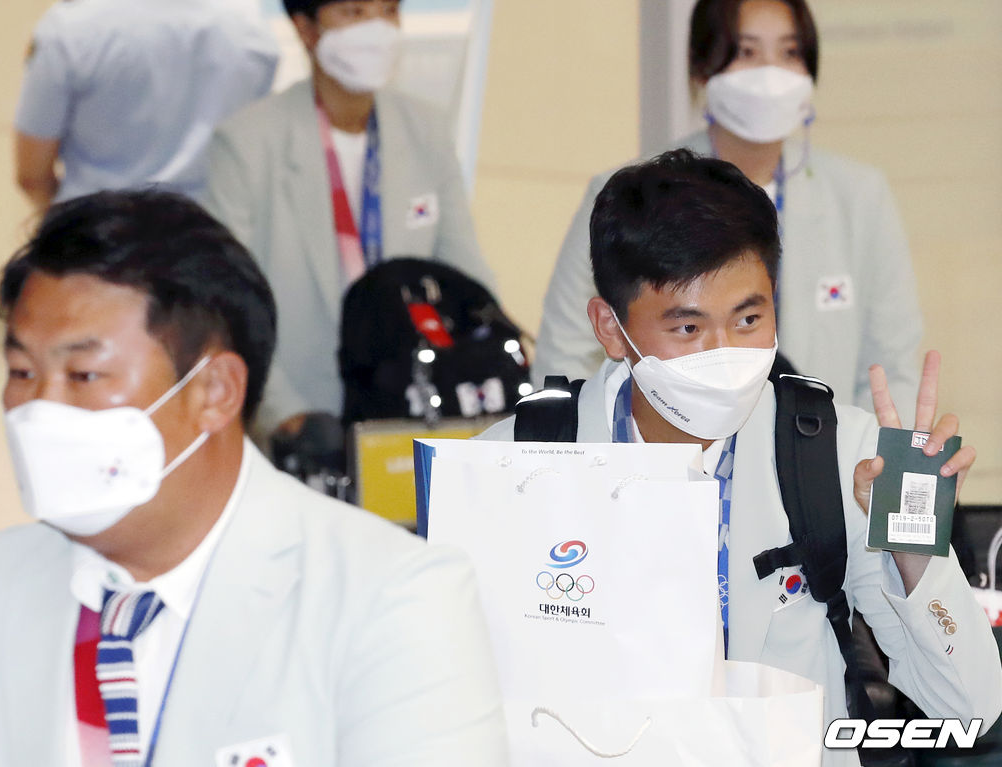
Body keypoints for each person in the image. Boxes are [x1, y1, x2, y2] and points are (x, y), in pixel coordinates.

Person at [482, 150, 1001, 766]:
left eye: (749, 318)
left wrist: (912, 552)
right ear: (610, 327)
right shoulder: (511, 465)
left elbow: (967, 709)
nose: (725, 355)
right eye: (688, 329)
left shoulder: (840, 456)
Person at [0, 190, 508, 766]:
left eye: (83, 374)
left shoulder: (392, 598)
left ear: (215, 392)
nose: (40, 408)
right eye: (23, 371)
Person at [533, 0, 922, 419]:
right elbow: (566, 355)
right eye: (746, 52)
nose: (769, 74)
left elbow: (892, 363)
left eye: (789, 53)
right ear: (702, 69)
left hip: (822, 463)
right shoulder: (629, 196)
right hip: (660, 461)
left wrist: (853, 460)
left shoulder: (860, 195)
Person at [205, 0, 496, 439]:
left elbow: (465, 273)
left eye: (389, 10)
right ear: (306, 29)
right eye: (354, 12)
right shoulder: (247, 142)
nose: (376, 28)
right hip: (302, 416)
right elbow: (227, 302)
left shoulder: (426, 130)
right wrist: (287, 415)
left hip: (413, 406)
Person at [14, 0, 278, 212]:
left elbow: (32, 175)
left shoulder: (70, 28)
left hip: (94, 239)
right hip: (208, 241)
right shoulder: (252, 26)